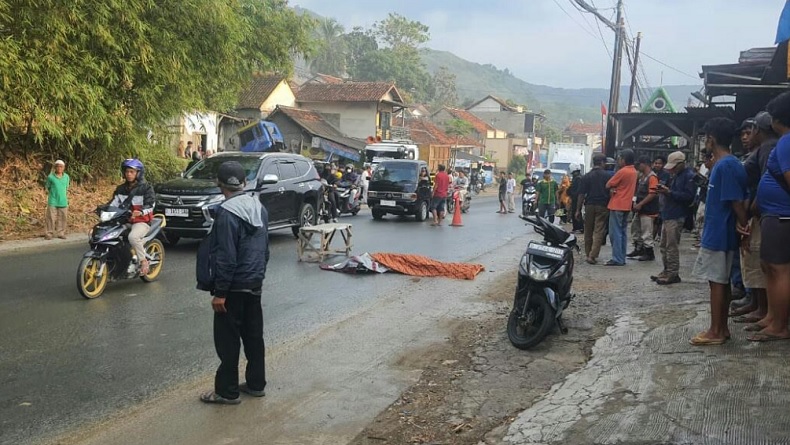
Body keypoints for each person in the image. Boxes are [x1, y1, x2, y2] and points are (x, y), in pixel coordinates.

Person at [198, 161, 270, 404]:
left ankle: (227, 392)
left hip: (233, 287)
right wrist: (258, 277)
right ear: (244, 183)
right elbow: (265, 250)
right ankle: (256, 384)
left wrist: (220, 292)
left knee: (228, 341)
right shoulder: (259, 208)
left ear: (220, 185)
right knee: (253, 337)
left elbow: (226, 257)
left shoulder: (227, 213)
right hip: (254, 282)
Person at [690, 117, 748, 346]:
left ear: (711, 140)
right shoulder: (727, 164)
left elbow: (736, 201)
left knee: (717, 282)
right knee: (719, 282)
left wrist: (744, 226)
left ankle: (716, 330)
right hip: (719, 231)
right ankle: (721, 328)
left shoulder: (726, 165)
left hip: (719, 233)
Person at [744, 92, 790, 341]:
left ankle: (779, 325)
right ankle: (772, 317)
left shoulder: (785, 142)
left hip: (782, 216)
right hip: (776, 215)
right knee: (770, 268)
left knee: (778, 270)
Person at [731, 111, 778, 324]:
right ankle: (757, 304)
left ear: (758, 130)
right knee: (752, 261)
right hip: (755, 210)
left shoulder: (768, 148)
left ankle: (764, 309)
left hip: (759, 211)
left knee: (758, 260)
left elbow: (766, 179)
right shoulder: (762, 149)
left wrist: (754, 205)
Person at [652, 151, 696, 285]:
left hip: (677, 215)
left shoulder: (689, 176)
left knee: (671, 245)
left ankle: (673, 273)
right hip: (668, 213)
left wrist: (669, 192)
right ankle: (666, 270)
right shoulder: (675, 175)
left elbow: (688, 197)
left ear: (681, 164)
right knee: (664, 245)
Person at [108, 159, 156, 275]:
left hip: (142, 221)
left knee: (133, 237)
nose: (129, 174)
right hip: (126, 220)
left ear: (138, 173)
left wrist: (141, 211)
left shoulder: (146, 188)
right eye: (127, 172)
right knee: (109, 234)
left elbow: (151, 204)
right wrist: (99, 209)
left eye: (132, 172)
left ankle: (143, 261)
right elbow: (113, 204)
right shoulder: (121, 189)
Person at [605, 149, 638, 266]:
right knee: (623, 232)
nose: (618, 161)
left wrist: (614, 188)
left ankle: (617, 258)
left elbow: (608, 184)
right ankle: (621, 257)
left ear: (623, 159)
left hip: (617, 203)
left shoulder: (622, 171)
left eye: (619, 158)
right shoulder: (634, 171)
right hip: (627, 204)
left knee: (615, 233)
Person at [577, 154, 610, 264]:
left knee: (588, 230)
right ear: (602, 163)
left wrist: (578, 210)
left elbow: (581, 194)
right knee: (599, 231)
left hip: (589, 205)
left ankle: (588, 253)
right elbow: (611, 192)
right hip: (602, 206)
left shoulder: (586, 176)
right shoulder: (607, 176)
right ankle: (593, 255)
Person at [627, 155, 659, 261]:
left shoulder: (652, 177)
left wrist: (640, 204)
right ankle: (639, 248)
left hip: (648, 210)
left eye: (639, 164)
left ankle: (649, 253)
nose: (638, 166)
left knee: (647, 232)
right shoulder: (643, 177)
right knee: (635, 229)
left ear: (644, 164)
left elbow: (652, 193)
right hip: (641, 209)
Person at [45, 159, 70, 240]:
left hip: (63, 200)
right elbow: (48, 187)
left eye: (61, 166)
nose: (59, 168)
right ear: (55, 167)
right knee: (50, 217)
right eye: (57, 166)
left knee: (63, 217)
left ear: (64, 168)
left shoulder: (66, 177)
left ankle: (61, 233)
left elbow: (66, 187)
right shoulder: (50, 177)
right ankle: (49, 233)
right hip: (53, 200)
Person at [568, 165, 583, 233]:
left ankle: (578, 227)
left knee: (576, 212)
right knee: (575, 212)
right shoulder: (577, 178)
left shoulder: (578, 179)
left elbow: (577, 190)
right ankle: (577, 227)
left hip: (576, 198)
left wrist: (572, 194)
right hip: (575, 198)